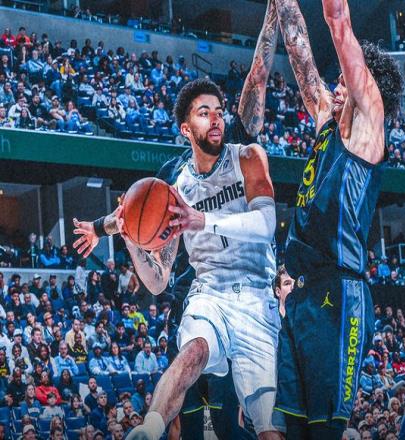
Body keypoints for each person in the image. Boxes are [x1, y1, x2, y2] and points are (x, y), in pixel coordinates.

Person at [73, 3, 282, 438]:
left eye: (219, 110)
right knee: (192, 354)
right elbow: (156, 281)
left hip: (257, 294)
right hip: (207, 292)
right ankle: (148, 429)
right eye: (204, 112)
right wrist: (119, 234)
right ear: (186, 129)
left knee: (266, 425)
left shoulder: (246, 155)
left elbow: (265, 227)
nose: (216, 118)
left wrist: (274, 14)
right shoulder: (174, 185)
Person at [272, 0, 403, 437]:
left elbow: (339, 22)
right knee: (290, 429)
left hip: (339, 291)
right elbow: (300, 54)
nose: (338, 83)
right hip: (300, 294)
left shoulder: (369, 125)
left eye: (347, 78)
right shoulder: (327, 123)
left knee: (324, 431)